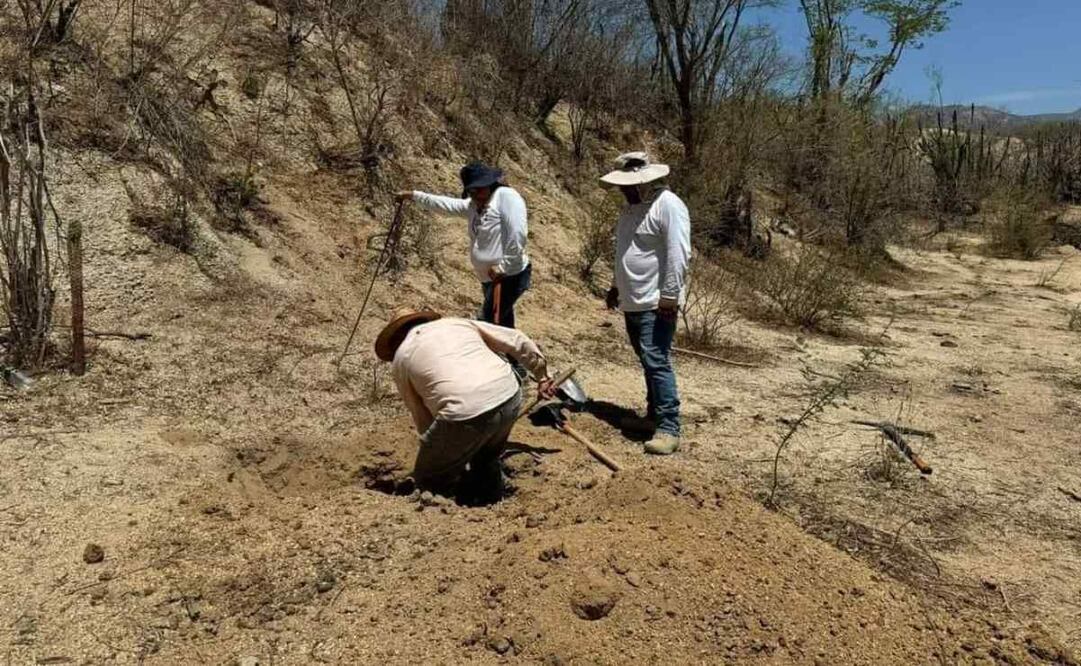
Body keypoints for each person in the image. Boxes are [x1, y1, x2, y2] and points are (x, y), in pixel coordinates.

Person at [375, 307, 554, 504]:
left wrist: (442, 449)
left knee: (429, 478)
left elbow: (420, 412)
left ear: (397, 337)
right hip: (509, 394)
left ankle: (441, 515)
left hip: (464, 412)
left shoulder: (402, 357)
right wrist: (542, 376)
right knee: (486, 456)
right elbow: (516, 339)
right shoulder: (456, 323)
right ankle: (492, 500)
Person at [600, 152, 691, 456]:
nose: (624, 191)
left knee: (657, 360)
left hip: (655, 302)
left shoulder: (669, 205)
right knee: (647, 359)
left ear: (646, 182)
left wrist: (670, 295)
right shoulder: (630, 211)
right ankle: (653, 416)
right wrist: (616, 287)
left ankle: (669, 426)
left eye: (629, 186)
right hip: (633, 300)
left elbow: (679, 253)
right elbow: (625, 251)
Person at [396, 162, 531, 331]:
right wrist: (414, 195)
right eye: (472, 191)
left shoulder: (505, 196)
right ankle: (516, 357)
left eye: (480, 189)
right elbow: (445, 205)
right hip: (490, 278)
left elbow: (517, 233)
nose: (476, 195)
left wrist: (504, 266)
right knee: (504, 327)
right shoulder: (473, 206)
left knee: (487, 324)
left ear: (490, 184)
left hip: (508, 276)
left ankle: (502, 356)